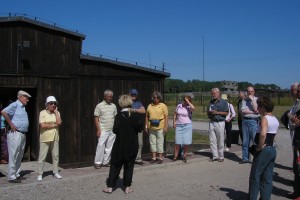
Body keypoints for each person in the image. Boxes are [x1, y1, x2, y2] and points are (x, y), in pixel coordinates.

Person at [102, 94, 145, 194]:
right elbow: (139, 129)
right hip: (131, 145)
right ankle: (127, 187)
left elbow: (115, 130)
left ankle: (110, 187)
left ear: (121, 104)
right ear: (130, 103)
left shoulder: (118, 116)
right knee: (129, 166)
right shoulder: (135, 115)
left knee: (115, 166)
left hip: (120, 145)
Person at [248, 96, 279, 200]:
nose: (257, 109)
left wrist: (260, 147)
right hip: (272, 149)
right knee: (267, 177)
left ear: (264, 107)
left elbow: (263, 134)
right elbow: (273, 135)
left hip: (264, 150)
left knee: (255, 176)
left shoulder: (264, 119)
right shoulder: (275, 119)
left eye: (259, 107)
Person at [1, 90, 31, 183]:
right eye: (26, 97)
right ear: (20, 97)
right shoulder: (15, 105)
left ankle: (16, 174)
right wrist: (11, 124)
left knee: (19, 154)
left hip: (22, 133)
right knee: (14, 154)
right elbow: (4, 112)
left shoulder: (22, 107)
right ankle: (12, 176)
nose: (28, 99)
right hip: (16, 133)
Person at [37, 96, 62, 181]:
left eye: (55, 103)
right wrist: (54, 125)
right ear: (47, 105)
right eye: (51, 103)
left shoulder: (57, 113)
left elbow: (59, 122)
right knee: (42, 156)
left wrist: (55, 113)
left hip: (55, 137)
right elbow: (42, 125)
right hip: (45, 137)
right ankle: (40, 173)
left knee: (55, 156)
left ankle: (55, 172)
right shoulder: (42, 113)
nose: (53, 105)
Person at [94, 89, 117, 169]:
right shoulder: (99, 106)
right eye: (109, 96)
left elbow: (115, 117)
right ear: (104, 96)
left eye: (111, 97)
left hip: (112, 129)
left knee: (109, 147)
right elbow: (96, 118)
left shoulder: (113, 106)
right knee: (100, 146)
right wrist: (98, 129)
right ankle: (98, 162)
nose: (110, 98)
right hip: (103, 129)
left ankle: (106, 162)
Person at [145, 91, 168, 164]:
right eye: (154, 97)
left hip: (160, 126)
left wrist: (165, 127)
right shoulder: (149, 106)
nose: (156, 99)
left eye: (157, 97)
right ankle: (153, 157)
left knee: (160, 142)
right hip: (151, 127)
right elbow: (146, 116)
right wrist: (146, 126)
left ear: (159, 98)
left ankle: (160, 158)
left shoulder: (163, 105)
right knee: (152, 142)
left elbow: (166, 116)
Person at [207, 88, 228, 162]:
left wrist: (217, 112)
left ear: (219, 93)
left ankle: (221, 156)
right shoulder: (210, 102)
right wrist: (210, 113)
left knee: (220, 140)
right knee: (212, 140)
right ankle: (215, 156)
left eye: (214, 93)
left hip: (220, 122)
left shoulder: (223, 102)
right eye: (212, 93)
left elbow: (226, 113)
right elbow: (208, 111)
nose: (213, 95)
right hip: (212, 122)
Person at [172, 95, 195, 162]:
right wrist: (174, 123)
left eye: (187, 100)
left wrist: (188, 101)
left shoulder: (189, 107)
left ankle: (184, 155)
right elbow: (175, 114)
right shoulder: (179, 106)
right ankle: (175, 156)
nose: (185, 101)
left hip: (187, 125)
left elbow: (193, 108)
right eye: (185, 100)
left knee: (186, 142)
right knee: (177, 142)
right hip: (179, 125)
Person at [240, 86, 260, 164]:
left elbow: (256, 109)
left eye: (251, 91)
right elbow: (243, 111)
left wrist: (252, 100)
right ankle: (245, 158)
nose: (250, 93)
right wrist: (252, 112)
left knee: (255, 140)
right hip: (245, 121)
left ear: (254, 92)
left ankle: (256, 158)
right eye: (248, 91)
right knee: (245, 141)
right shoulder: (244, 100)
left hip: (253, 121)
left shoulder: (257, 99)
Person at [288, 84, 300, 200]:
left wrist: (292, 117)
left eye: (295, 90)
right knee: (297, 164)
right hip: (297, 136)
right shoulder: (297, 102)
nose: (294, 92)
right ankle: (297, 191)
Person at [129, 89, 146, 166]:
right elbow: (127, 111)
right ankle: (130, 158)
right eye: (132, 94)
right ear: (129, 94)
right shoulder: (127, 103)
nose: (133, 96)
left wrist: (134, 110)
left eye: (135, 94)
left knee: (140, 143)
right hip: (130, 127)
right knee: (130, 143)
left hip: (138, 126)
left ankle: (138, 159)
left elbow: (143, 111)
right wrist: (137, 110)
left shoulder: (139, 103)